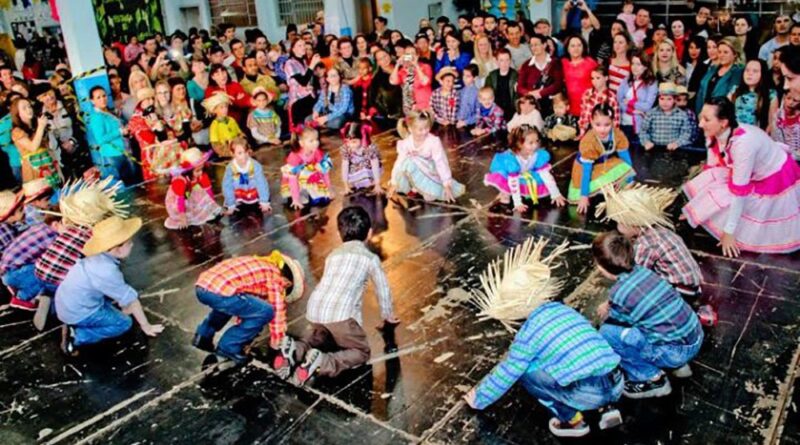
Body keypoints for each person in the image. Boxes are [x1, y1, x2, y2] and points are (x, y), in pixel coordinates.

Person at [275, 206, 398, 385]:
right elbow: (383, 289)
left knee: (319, 337)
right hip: (340, 316)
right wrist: (387, 315)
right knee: (360, 352)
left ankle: (295, 350)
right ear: (369, 233)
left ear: (341, 233)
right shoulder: (370, 258)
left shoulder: (333, 255)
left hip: (316, 309)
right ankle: (323, 362)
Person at [464, 299, 622, 438]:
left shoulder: (528, 333)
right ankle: (608, 408)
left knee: (527, 372)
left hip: (588, 393)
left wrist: (480, 398)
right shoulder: (563, 309)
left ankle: (573, 421)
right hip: (617, 379)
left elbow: (509, 370)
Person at [682, 97, 800, 256]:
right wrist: (698, 207)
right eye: (701, 117)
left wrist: (729, 232)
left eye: (706, 119)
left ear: (723, 122)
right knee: (712, 177)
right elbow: (712, 167)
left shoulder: (743, 145)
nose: (700, 123)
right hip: (749, 170)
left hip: (774, 177)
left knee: (733, 198)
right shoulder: (714, 132)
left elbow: (739, 194)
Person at [594, 231, 703, 399]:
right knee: (653, 321)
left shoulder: (619, 293)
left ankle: (651, 378)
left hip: (675, 351)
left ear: (601, 268)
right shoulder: (645, 271)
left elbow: (620, 320)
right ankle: (679, 366)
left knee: (608, 333)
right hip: (695, 334)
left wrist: (609, 311)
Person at [56, 215, 165, 356]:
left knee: (118, 305)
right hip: (79, 311)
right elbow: (131, 299)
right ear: (116, 249)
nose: (132, 244)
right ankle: (77, 337)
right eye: (129, 242)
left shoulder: (96, 258)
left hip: (67, 301)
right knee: (123, 323)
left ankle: (77, 323)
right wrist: (146, 326)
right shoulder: (106, 271)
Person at [32, 178, 128, 330]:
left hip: (40, 270)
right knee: (84, 286)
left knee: (61, 285)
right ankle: (66, 320)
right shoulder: (93, 235)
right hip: (59, 278)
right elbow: (95, 267)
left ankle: (46, 296)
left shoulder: (70, 228)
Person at [192, 250, 304, 364]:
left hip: (204, 286)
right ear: (288, 283)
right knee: (266, 311)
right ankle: (229, 347)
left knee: (231, 304)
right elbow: (277, 312)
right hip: (220, 292)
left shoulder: (261, 264)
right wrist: (277, 343)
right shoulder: (276, 278)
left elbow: (245, 308)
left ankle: (203, 336)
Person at [596, 185, 702, 299]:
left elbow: (637, 276)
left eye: (619, 222)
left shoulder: (645, 245)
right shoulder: (659, 229)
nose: (617, 227)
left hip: (680, 291)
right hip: (693, 285)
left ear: (633, 224)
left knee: (638, 293)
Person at [388, 110, 465, 203]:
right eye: (420, 129)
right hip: (415, 169)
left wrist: (446, 183)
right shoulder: (406, 143)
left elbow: (441, 162)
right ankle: (413, 185)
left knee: (430, 197)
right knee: (408, 161)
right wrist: (394, 182)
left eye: (427, 128)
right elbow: (399, 163)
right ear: (410, 129)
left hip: (429, 170)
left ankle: (424, 187)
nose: (424, 132)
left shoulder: (433, 142)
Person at [569, 104, 634, 213]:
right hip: (584, 169)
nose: (602, 129)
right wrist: (584, 196)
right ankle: (597, 189)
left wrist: (629, 179)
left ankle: (608, 186)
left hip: (602, 165)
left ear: (613, 122)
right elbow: (587, 170)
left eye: (607, 125)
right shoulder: (589, 141)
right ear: (591, 122)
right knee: (591, 187)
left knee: (622, 165)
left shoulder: (617, 134)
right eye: (598, 125)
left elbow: (626, 160)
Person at [485, 125, 566, 212]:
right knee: (505, 180)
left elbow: (546, 176)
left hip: (526, 172)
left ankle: (518, 191)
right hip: (511, 175)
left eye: (537, 141)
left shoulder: (538, 155)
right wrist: (518, 203)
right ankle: (505, 192)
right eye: (531, 143)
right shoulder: (512, 160)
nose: (535, 145)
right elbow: (513, 180)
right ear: (519, 144)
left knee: (540, 178)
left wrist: (555, 194)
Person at [0, 213, 60, 310]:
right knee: (47, 272)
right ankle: (24, 298)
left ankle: (21, 293)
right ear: (56, 223)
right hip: (12, 272)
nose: (23, 212)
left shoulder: (41, 227)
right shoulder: (52, 236)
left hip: (9, 269)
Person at [128, 87, 181, 180]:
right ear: (140, 102)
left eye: (152, 98)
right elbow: (147, 139)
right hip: (151, 155)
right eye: (147, 99)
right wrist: (156, 128)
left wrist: (160, 128)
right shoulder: (136, 120)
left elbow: (169, 133)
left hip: (166, 152)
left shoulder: (157, 114)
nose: (151, 101)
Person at [164, 148, 222, 230]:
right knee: (189, 207)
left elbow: (208, 190)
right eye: (198, 170)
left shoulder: (201, 175)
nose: (201, 172)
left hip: (188, 194)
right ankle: (187, 213)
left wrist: (212, 206)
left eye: (202, 169)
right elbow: (180, 199)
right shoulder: (180, 181)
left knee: (200, 192)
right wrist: (182, 217)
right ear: (189, 171)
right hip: (177, 202)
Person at [10, 97, 61, 189]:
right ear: (17, 113)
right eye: (24, 108)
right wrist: (41, 127)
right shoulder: (16, 131)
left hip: (48, 163)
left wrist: (58, 169)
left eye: (29, 106)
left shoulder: (36, 126)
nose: (28, 110)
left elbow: (48, 148)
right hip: (33, 167)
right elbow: (33, 147)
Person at [87, 86, 133, 184]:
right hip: (112, 156)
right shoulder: (96, 117)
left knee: (129, 182)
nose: (102, 99)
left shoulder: (108, 112)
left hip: (121, 152)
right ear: (92, 101)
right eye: (98, 97)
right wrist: (119, 132)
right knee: (121, 186)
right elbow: (101, 139)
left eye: (104, 96)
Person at [280, 125, 332, 210]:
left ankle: (310, 191)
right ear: (301, 143)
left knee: (322, 198)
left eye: (317, 139)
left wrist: (328, 188)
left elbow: (325, 172)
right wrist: (295, 199)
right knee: (302, 199)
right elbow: (293, 179)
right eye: (311, 141)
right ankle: (297, 194)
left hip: (309, 177)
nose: (316, 143)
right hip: (296, 179)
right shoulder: (294, 156)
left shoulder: (317, 152)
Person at [517, 34, 563, 117]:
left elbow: (558, 84)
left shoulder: (555, 62)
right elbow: (519, 87)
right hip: (532, 106)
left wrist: (541, 93)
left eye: (536, 44)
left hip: (551, 105)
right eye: (531, 46)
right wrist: (529, 94)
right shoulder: (526, 65)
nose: (534, 48)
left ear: (544, 45)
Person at [617, 51, 658, 145]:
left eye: (638, 64)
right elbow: (619, 100)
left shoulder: (651, 83)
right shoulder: (626, 79)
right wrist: (632, 111)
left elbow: (647, 106)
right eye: (633, 63)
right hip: (623, 122)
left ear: (646, 66)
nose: (634, 67)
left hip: (640, 125)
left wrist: (630, 103)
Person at [222, 138, 271, 215]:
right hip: (239, 190)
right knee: (233, 182)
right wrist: (231, 204)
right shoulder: (230, 168)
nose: (244, 156)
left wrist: (264, 202)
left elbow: (261, 182)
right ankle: (238, 200)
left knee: (257, 181)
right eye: (240, 153)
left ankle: (254, 198)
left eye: (246, 152)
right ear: (232, 153)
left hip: (251, 189)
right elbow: (227, 186)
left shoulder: (255, 165)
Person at [695, 37, 743, 115]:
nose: (721, 55)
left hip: (721, 115)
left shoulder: (737, 72)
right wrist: (700, 113)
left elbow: (730, 97)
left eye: (725, 52)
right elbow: (701, 91)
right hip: (703, 114)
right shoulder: (713, 69)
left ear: (735, 54)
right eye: (719, 52)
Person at [640, 82, 693, 151]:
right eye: (662, 99)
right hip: (654, 148)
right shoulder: (651, 114)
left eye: (669, 99)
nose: (665, 102)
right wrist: (646, 142)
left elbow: (686, 133)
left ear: (674, 100)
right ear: (658, 99)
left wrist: (677, 143)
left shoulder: (682, 115)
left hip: (673, 149)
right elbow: (643, 130)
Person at [732, 60, 778, 133]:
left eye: (755, 71)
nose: (749, 74)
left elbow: (772, 123)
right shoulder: (735, 90)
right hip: (735, 134)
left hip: (757, 135)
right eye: (747, 70)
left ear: (762, 74)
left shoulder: (771, 95)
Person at [285, 39, 320, 127]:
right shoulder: (289, 63)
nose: (303, 47)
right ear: (293, 49)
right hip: (298, 100)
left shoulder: (304, 62)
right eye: (299, 46)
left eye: (304, 45)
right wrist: (312, 64)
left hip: (309, 96)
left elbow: (310, 80)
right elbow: (303, 81)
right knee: (302, 126)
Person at [340, 122, 382, 195]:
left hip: (369, 167)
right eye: (348, 142)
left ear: (362, 138)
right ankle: (358, 182)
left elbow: (375, 165)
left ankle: (371, 181)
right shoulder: (346, 148)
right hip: (355, 167)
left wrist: (377, 184)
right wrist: (346, 186)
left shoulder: (369, 148)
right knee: (355, 171)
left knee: (368, 169)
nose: (351, 145)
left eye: (354, 142)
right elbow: (345, 166)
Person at [578, 66, 620, 138]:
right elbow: (582, 114)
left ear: (606, 78)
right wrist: (582, 129)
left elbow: (615, 122)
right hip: (587, 134)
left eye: (598, 78)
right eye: (592, 78)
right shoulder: (588, 93)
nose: (594, 81)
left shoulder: (611, 98)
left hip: (603, 135)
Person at [561, 35, 598, 117]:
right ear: (567, 48)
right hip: (568, 107)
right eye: (572, 46)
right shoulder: (563, 62)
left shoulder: (591, 63)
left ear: (584, 47)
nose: (576, 48)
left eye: (579, 45)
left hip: (588, 107)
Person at [390, 44, 432, 115]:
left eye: (413, 54)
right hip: (409, 107)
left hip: (424, 106)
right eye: (407, 54)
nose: (410, 56)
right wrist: (397, 65)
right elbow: (393, 81)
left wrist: (416, 65)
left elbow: (425, 82)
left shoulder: (425, 67)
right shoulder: (403, 71)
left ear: (417, 55)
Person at [204, 92, 243, 158]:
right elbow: (216, 145)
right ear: (214, 110)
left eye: (226, 107)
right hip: (226, 153)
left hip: (239, 148)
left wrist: (243, 145)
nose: (225, 109)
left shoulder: (231, 120)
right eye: (221, 108)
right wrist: (228, 153)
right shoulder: (214, 125)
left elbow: (240, 134)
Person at [485, 49, 518, 120]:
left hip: (511, 111)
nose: (504, 63)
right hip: (495, 111)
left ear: (510, 61)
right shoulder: (491, 76)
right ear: (496, 61)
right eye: (501, 60)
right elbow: (486, 93)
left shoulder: (516, 76)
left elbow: (517, 96)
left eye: (507, 60)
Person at [773, 90, 800, 158]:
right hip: (783, 155)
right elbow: (776, 139)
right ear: (784, 98)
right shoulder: (778, 115)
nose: (790, 102)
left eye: (795, 100)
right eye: (788, 98)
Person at [608, 32, 633, 97]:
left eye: (621, 42)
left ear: (628, 45)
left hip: (624, 99)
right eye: (615, 42)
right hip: (608, 99)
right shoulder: (607, 61)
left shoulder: (633, 64)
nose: (617, 45)